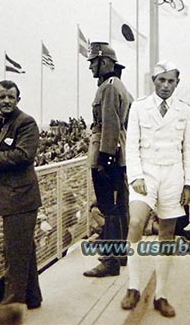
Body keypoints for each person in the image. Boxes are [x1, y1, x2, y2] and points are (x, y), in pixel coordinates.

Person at [121, 60, 190, 318]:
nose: (165, 85)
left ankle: (161, 294)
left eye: (171, 81)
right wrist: (136, 176)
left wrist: (188, 182)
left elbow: (188, 148)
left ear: (177, 82)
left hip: (173, 174)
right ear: (154, 81)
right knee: (136, 222)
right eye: (161, 80)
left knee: (167, 233)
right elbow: (131, 146)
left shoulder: (184, 110)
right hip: (146, 173)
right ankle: (133, 286)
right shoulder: (140, 107)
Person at [0, 80, 43, 309]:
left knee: (15, 254)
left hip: (21, 198)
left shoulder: (26, 122)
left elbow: (24, 155)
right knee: (25, 250)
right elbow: (0, 154)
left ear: (18, 100)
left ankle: (11, 306)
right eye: (2, 97)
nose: (6, 101)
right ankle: (32, 298)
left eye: (11, 97)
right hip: (10, 197)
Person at [83, 42, 132, 277]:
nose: (91, 66)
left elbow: (110, 124)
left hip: (108, 154)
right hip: (117, 154)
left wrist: (105, 158)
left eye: (93, 61)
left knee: (108, 208)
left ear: (105, 62)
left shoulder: (110, 87)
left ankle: (110, 260)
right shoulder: (115, 85)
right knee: (119, 206)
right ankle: (120, 254)